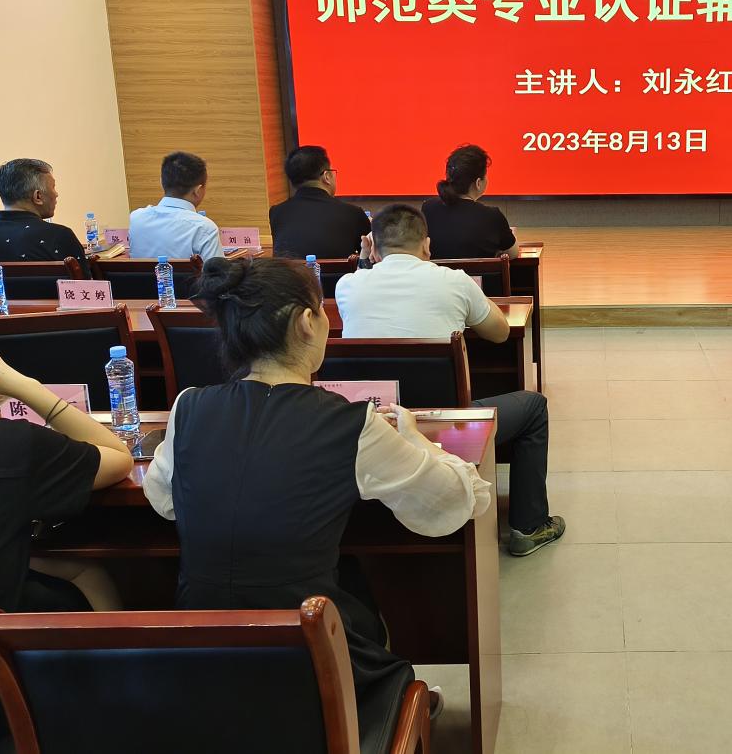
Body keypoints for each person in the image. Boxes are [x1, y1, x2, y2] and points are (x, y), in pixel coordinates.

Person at [142, 257, 488, 718]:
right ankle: (388, 704)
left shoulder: (189, 407)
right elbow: (454, 502)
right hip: (309, 655)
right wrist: (416, 439)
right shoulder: (351, 423)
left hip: (200, 645)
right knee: (357, 586)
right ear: (307, 322)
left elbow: (163, 500)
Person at [336, 204, 563, 556]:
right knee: (533, 407)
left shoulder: (347, 285)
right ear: (427, 246)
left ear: (374, 248)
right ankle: (528, 527)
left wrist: (365, 262)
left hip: (376, 424)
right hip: (445, 425)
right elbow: (501, 333)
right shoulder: (454, 280)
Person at [0, 316, 133, 741]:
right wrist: (23, 385)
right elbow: (117, 457)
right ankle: (117, 702)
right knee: (87, 574)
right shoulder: (8, 447)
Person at [0, 158, 88, 270]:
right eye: (53, 187)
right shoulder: (60, 236)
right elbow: (86, 284)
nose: (56, 194)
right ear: (38, 196)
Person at [268, 145, 370, 259]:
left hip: (288, 272)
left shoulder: (277, 212)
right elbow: (371, 257)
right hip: (337, 272)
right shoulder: (353, 214)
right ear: (327, 176)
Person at [421, 145, 519, 261]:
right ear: (478, 183)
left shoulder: (428, 208)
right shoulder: (493, 217)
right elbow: (513, 253)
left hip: (437, 273)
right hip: (479, 274)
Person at [128, 151, 224, 260]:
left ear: (161, 182)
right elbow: (216, 270)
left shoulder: (136, 219)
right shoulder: (204, 228)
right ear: (197, 191)